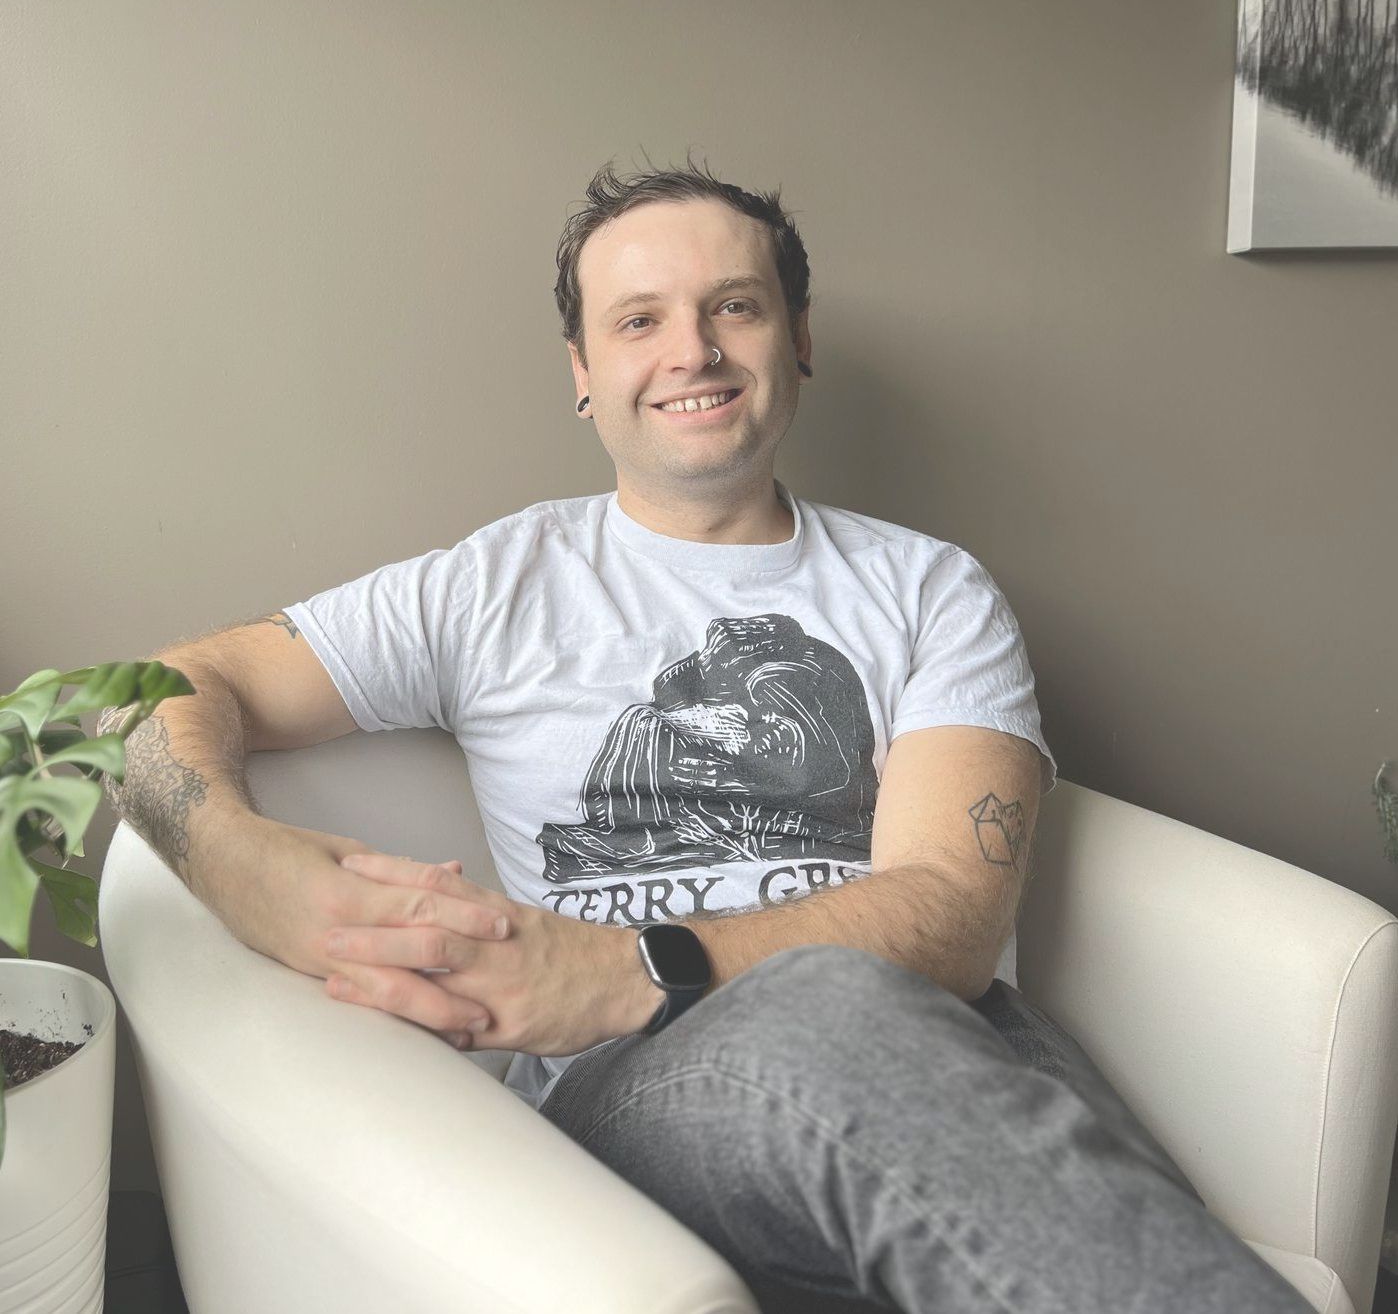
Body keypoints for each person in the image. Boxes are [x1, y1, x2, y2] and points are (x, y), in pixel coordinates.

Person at [101, 157, 1314, 1313]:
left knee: (1036, 1170)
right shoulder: (491, 586)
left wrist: (628, 958)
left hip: (949, 1040)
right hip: (634, 1081)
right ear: (580, 367)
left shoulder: (928, 588)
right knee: (833, 1011)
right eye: (638, 321)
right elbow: (152, 688)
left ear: (797, 342)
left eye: (734, 306)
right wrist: (239, 863)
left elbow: (949, 911)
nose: (692, 350)